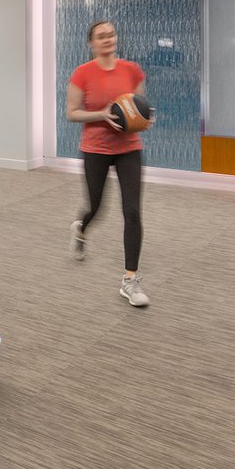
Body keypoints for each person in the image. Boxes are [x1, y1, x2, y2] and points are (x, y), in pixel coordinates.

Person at [65, 19, 151, 307]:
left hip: (129, 148)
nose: (107, 39)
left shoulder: (132, 70)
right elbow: (72, 113)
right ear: (91, 43)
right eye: (101, 36)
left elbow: (140, 107)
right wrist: (101, 114)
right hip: (95, 149)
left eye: (111, 34)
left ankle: (130, 280)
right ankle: (81, 226)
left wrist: (145, 119)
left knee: (133, 211)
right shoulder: (82, 74)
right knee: (96, 207)